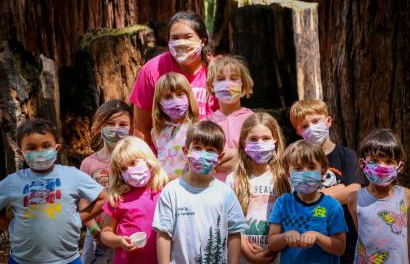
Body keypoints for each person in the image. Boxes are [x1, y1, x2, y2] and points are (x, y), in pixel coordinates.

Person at [0, 118, 107, 264]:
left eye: (46, 145)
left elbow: (104, 198)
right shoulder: (13, 181)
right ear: (21, 153)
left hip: (68, 259)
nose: (40, 151)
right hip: (21, 260)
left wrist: (79, 218)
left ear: (56, 148)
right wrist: (10, 226)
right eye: (31, 148)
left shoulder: (72, 175)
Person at [153, 121, 247, 264]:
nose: (203, 154)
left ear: (219, 158)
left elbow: (234, 233)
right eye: (197, 148)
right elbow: (164, 235)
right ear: (186, 152)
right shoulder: (171, 191)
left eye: (210, 150)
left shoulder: (226, 193)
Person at [289, 98, 365, 262]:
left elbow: (354, 192)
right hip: (308, 241)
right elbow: (297, 197)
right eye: (304, 126)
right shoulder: (297, 161)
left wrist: (315, 195)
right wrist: (340, 190)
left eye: (315, 121)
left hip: (346, 237)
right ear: (298, 132)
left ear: (328, 121)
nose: (311, 128)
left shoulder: (346, 155)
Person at [129, 11, 218, 146]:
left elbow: (229, 118)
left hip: (207, 157)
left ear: (203, 40)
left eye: (188, 37)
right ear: (168, 41)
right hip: (163, 160)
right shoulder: (152, 70)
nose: (181, 43)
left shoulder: (218, 71)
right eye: (175, 38)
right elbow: (141, 128)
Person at [268, 140, 348, 264]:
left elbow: (340, 248)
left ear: (322, 173)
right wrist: (285, 237)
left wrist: (318, 237)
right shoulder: (283, 203)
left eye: (311, 167)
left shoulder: (333, 206)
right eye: (298, 168)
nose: (305, 173)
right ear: (288, 174)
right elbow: (272, 244)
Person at [226, 113, 289, 263]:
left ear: (275, 141)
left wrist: (274, 249)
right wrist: (249, 254)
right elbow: (230, 223)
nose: (260, 143)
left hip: (279, 257)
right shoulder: (233, 179)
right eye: (253, 139)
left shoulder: (285, 179)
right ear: (243, 143)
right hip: (243, 257)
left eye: (266, 138)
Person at [347, 129, 410, 264]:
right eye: (374, 160)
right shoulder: (354, 199)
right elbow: (361, 235)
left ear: (399, 166)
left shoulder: (406, 195)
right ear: (363, 163)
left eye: (389, 161)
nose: (381, 167)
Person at [80, 99, 133, 264]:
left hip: (126, 233)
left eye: (123, 124)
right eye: (110, 123)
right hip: (96, 235)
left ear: (131, 128)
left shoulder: (135, 162)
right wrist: (96, 232)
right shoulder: (88, 164)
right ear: (99, 126)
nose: (116, 129)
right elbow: (83, 204)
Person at [100, 136, 168, 264]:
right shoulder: (119, 197)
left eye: (133, 163)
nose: (130, 171)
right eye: (123, 168)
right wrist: (119, 240)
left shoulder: (166, 189)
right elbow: (105, 233)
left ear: (148, 159)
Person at [207, 55, 254, 181]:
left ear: (243, 86)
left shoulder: (253, 121)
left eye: (233, 79)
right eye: (221, 79)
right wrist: (238, 154)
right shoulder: (206, 123)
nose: (227, 84)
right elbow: (204, 160)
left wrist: (217, 160)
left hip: (245, 186)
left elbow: (253, 158)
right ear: (212, 86)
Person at [151, 72, 199, 180]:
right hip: (163, 190)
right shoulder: (156, 132)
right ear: (159, 104)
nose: (175, 101)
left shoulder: (196, 129)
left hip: (186, 187)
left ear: (188, 96)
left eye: (180, 94)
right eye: (168, 97)